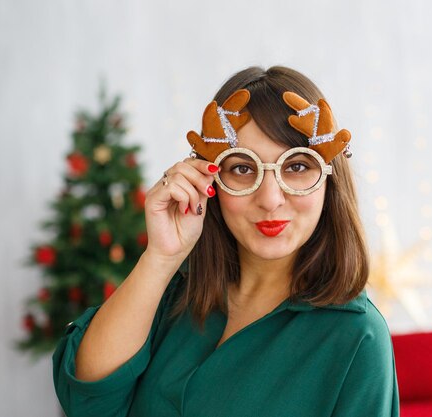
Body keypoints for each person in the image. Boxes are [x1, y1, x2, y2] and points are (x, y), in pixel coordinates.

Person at [52, 65, 399, 417]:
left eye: (295, 166)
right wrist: (160, 258)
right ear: (211, 180)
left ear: (329, 181)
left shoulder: (357, 338)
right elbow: (86, 399)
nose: (270, 199)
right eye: (243, 168)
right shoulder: (175, 292)